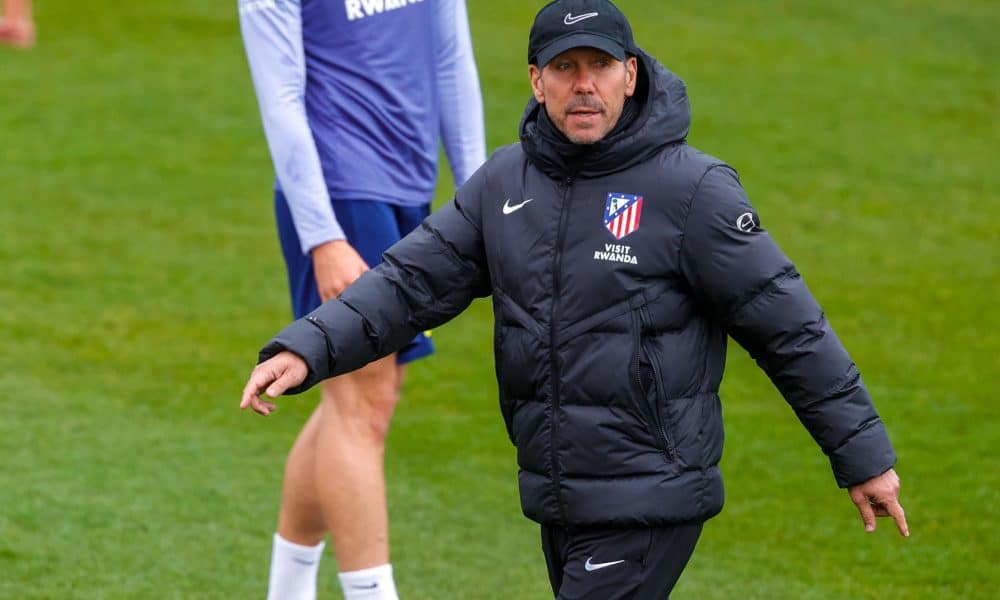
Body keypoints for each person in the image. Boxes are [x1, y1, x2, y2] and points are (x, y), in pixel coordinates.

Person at [241, 0, 909, 596]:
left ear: (631, 75)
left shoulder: (691, 193)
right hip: (561, 501)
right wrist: (306, 347)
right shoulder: (506, 184)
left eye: (600, 66)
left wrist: (864, 457)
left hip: (650, 498)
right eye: (564, 68)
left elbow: (789, 327)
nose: (583, 84)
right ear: (537, 81)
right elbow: (407, 283)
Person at [238, 0, 486, 598]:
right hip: (340, 194)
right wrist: (323, 235)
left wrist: (482, 201)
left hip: (408, 188)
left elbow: (451, 58)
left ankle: (287, 591)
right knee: (363, 406)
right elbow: (281, 93)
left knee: (354, 402)